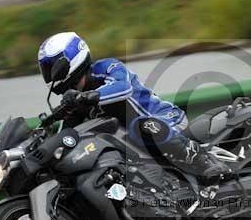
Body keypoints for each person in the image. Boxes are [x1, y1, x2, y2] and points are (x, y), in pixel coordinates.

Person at [37, 32, 230, 179]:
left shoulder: (107, 68)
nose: (49, 74)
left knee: (143, 127)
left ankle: (204, 160)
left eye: (51, 67)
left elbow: (123, 88)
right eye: (46, 68)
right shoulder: (75, 100)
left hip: (165, 120)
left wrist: (87, 97)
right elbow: (67, 136)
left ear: (67, 61)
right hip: (135, 146)